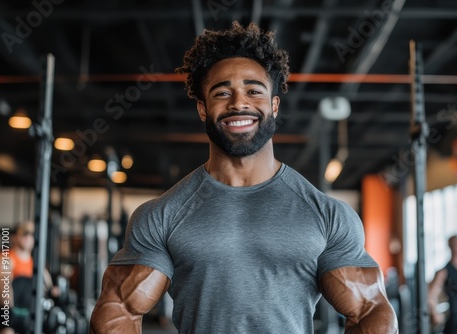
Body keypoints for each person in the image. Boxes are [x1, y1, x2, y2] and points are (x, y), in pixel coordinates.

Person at [90, 21, 398, 333]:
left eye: (253, 90)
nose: (239, 103)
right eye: (222, 92)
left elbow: (371, 311)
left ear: (274, 105)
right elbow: (119, 312)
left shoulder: (328, 216)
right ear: (202, 108)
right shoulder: (161, 216)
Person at [0, 221, 59, 334]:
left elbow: (49, 288)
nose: (28, 237)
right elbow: (3, 291)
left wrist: (54, 292)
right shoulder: (6, 258)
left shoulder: (37, 264)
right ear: (15, 237)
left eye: (32, 234)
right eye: (25, 233)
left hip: (30, 316)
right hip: (9, 314)